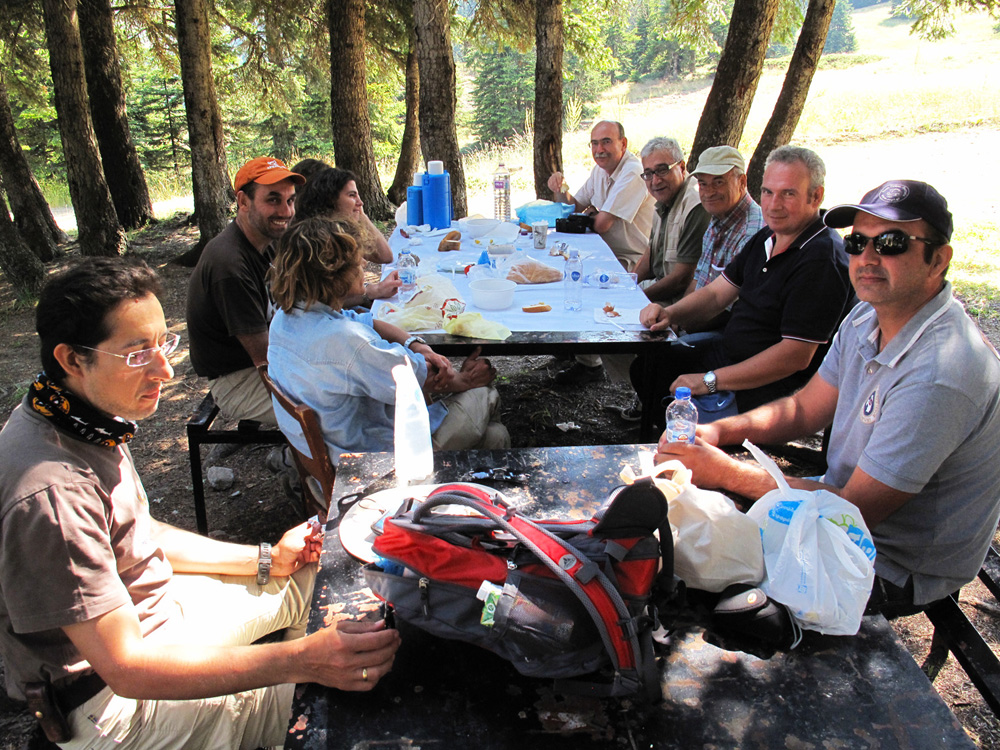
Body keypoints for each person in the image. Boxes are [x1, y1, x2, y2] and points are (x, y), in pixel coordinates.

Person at [0, 258, 401, 749]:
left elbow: (137, 532)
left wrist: (265, 558)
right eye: (136, 354)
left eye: (161, 343)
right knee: (354, 696)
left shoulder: (78, 413)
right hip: (111, 703)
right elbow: (127, 668)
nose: (164, 370)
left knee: (323, 577)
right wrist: (303, 662)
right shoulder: (50, 492)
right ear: (71, 359)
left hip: (160, 611)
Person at [657, 180, 1000, 619]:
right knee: (673, 542)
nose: (867, 257)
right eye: (857, 241)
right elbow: (803, 408)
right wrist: (718, 430)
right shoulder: (866, 314)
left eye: (892, 243)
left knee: (691, 589)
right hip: (834, 516)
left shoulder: (941, 374)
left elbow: (853, 508)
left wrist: (724, 471)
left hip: (887, 563)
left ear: (939, 259)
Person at [632, 145, 853, 421]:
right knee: (648, 367)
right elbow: (715, 295)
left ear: (815, 196)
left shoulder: (822, 257)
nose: (773, 204)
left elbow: (794, 357)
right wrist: (669, 313)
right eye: (768, 192)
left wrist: (709, 380)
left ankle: (693, 447)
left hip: (770, 383)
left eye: (788, 194)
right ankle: (665, 441)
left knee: (681, 412)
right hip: (730, 352)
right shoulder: (767, 237)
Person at [268, 216, 510, 464]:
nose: (363, 264)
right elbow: (425, 377)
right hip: (378, 463)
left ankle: (469, 472)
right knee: (484, 393)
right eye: (356, 263)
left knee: (495, 436)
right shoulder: (348, 343)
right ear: (333, 277)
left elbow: (366, 320)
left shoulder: (286, 319)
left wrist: (415, 344)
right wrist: (465, 380)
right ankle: (450, 485)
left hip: (332, 449)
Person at [186, 156, 304, 426]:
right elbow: (265, 357)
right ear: (243, 201)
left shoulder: (267, 241)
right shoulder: (230, 266)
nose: (285, 212)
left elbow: (298, 299)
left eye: (290, 200)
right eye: (272, 199)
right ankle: (293, 459)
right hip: (239, 379)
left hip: (266, 361)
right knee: (335, 402)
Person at [547, 121, 656, 385]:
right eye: (594, 143)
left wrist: (590, 215)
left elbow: (602, 223)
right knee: (561, 269)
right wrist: (559, 189)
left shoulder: (632, 172)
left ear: (623, 143)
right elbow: (574, 208)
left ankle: (590, 363)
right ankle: (576, 350)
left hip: (632, 258)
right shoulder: (600, 170)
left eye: (606, 142)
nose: (599, 149)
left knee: (578, 279)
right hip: (604, 251)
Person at [686, 145, 765, 328]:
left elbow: (726, 309)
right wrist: (674, 318)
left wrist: (680, 326)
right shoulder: (718, 217)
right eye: (703, 184)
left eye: (719, 182)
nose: (709, 192)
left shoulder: (752, 232)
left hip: (723, 331)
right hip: (696, 320)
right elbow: (698, 278)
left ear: (742, 181)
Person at [633, 136, 710, 306]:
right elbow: (649, 254)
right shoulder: (663, 201)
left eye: (662, 170)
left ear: (681, 167)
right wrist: (628, 285)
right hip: (656, 289)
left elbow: (681, 279)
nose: (655, 180)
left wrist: (635, 298)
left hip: (675, 301)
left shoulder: (695, 204)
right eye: (648, 174)